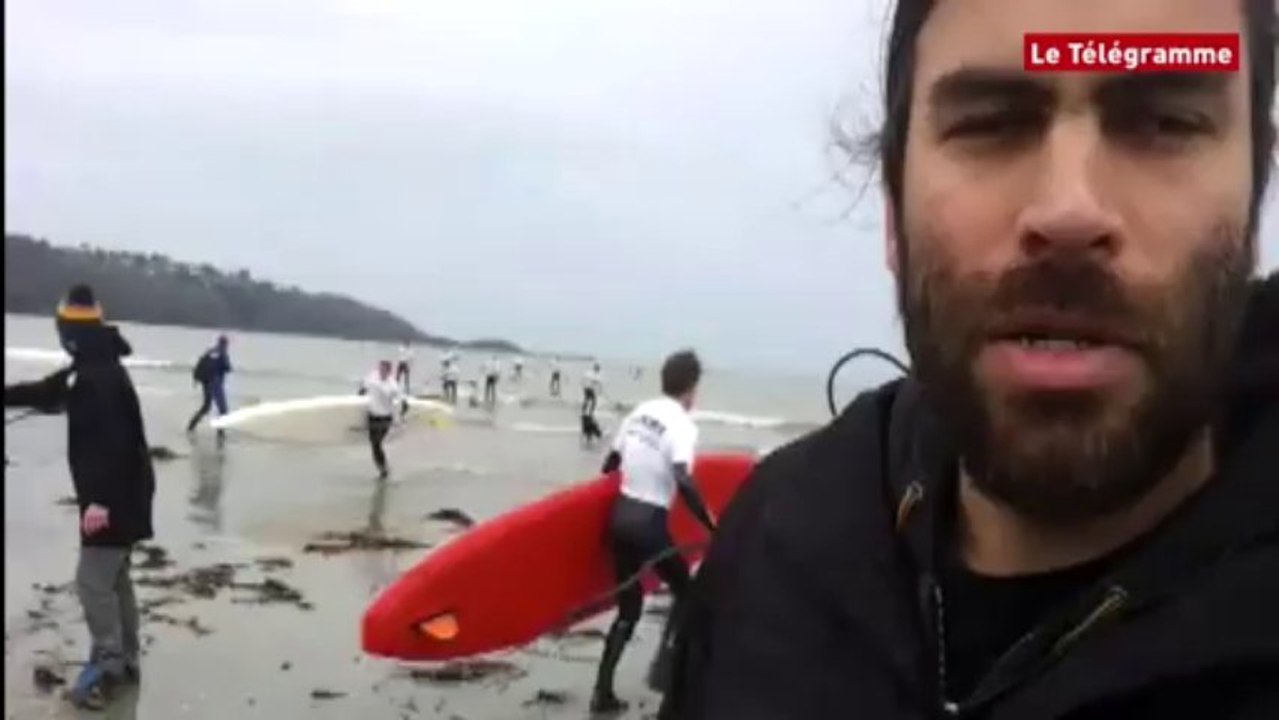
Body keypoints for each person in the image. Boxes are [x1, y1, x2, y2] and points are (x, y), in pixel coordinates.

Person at [659, 1, 1279, 718]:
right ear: (892, 207)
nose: (1068, 211)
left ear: (1254, 191)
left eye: (1162, 122)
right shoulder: (774, 540)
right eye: (990, 121)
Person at [5, 284, 156, 710]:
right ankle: (126, 662)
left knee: (92, 583)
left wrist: (100, 502)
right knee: (114, 579)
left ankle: (106, 667)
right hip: (129, 492)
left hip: (115, 495)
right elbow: (45, 392)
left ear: (69, 331)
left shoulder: (97, 377)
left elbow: (115, 442)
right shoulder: (91, 366)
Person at [590, 350, 717, 716]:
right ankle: (674, 680)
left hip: (619, 521)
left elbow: (611, 465)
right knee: (690, 598)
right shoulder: (682, 425)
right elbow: (682, 477)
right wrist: (711, 524)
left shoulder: (639, 412)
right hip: (649, 528)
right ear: (691, 389)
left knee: (629, 610)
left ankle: (602, 693)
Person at [359, 360, 406, 480]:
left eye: (384, 370)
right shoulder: (372, 376)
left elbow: (400, 400)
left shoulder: (392, 385)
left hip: (385, 417)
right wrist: (360, 396)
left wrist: (401, 413)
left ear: (389, 371)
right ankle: (383, 470)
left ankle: (384, 470)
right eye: (380, 369)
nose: (381, 372)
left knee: (377, 442)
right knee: (374, 444)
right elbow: (363, 387)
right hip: (372, 415)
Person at [186, 335, 232, 435]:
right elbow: (228, 368)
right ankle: (220, 433)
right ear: (224, 344)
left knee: (206, 406)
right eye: (226, 344)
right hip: (216, 384)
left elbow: (200, 365)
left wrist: (196, 379)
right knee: (223, 410)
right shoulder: (222, 353)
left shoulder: (210, 352)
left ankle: (191, 425)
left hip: (206, 383)